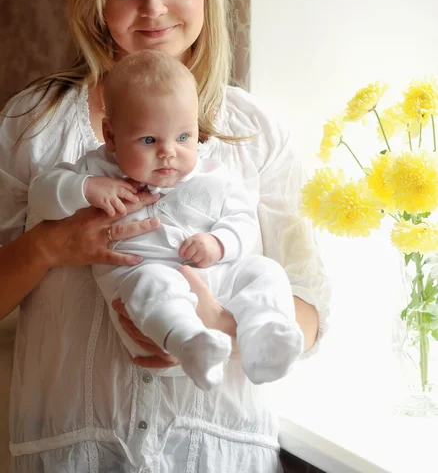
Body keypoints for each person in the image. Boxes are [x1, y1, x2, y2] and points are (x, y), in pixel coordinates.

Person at [0, 0, 329, 472]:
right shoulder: (34, 125)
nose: (153, 9)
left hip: (216, 451)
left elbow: (309, 300)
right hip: (75, 451)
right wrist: (51, 244)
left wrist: (219, 325)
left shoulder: (257, 131)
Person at [28, 49, 304, 392]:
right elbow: (40, 193)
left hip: (216, 284)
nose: (168, 152)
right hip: (149, 304)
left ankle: (266, 336)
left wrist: (219, 243)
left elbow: (243, 221)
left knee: (265, 272)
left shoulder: (214, 175)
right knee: (153, 282)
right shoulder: (96, 169)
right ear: (112, 136)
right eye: (148, 140)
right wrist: (84, 188)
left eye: (184, 137)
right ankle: (191, 342)